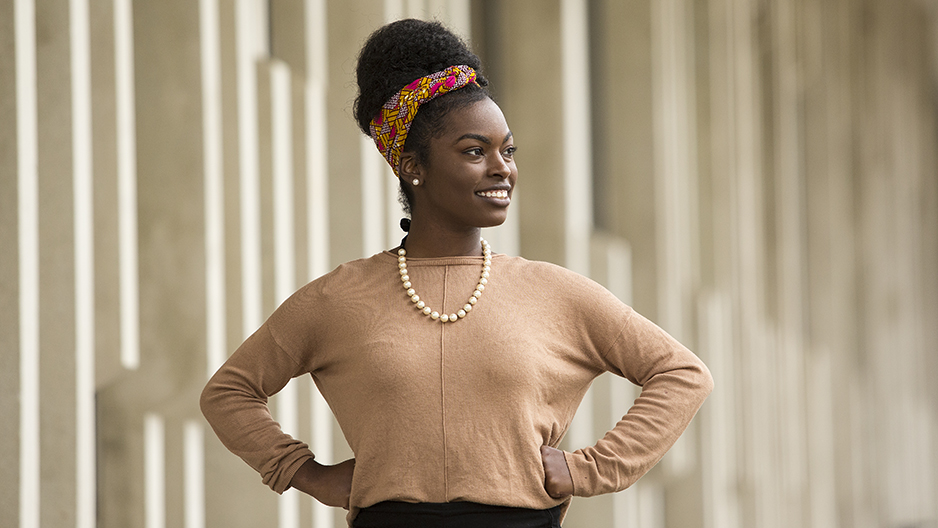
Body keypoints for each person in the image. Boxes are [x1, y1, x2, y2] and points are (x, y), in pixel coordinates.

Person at [200, 18, 713, 528]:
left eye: (507, 150)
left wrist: (592, 468)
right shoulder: (339, 298)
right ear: (411, 165)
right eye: (474, 151)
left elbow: (681, 374)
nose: (502, 168)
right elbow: (228, 394)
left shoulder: (556, 292)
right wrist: (306, 473)